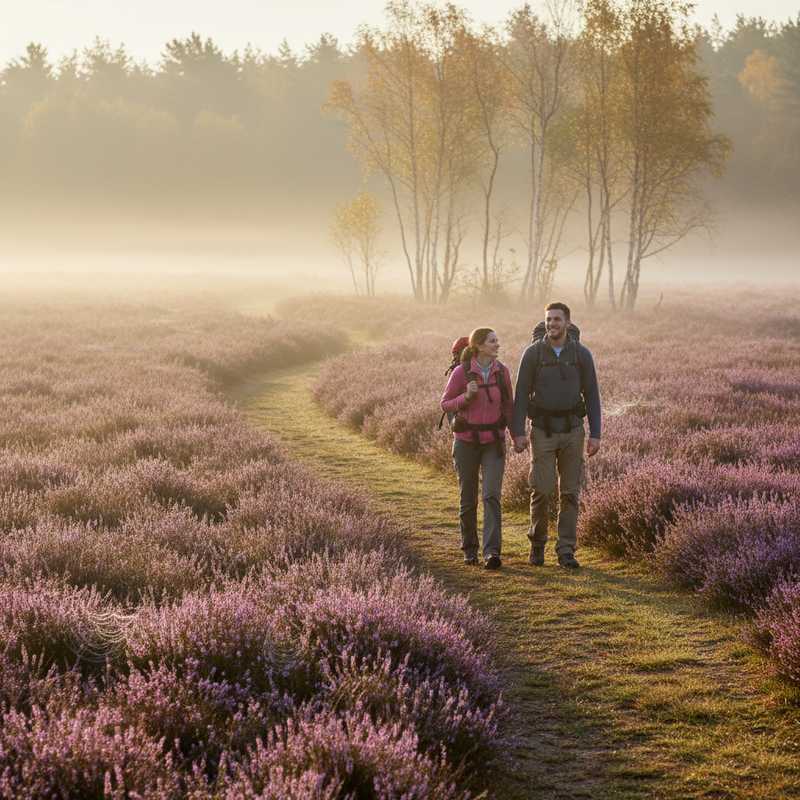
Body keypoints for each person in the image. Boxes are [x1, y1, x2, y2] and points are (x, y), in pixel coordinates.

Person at [512, 302, 601, 569]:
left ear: (567, 323)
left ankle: (566, 550)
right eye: (548, 319)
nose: (552, 324)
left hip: (574, 431)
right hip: (542, 431)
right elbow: (520, 395)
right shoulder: (533, 354)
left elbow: (592, 394)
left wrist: (596, 434)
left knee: (570, 493)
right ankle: (537, 545)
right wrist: (518, 432)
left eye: (557, 319)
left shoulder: (582, 355)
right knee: (541, 490)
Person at [441, 328, 514, 569]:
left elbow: (509, 406)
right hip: (466, 442)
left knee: (491, 495)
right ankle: (470, 549)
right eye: (493, 341)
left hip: (494, 442)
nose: (497, 345)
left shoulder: (502, 372)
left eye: (497, 340)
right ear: (479, 346)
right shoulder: (461, 373)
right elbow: (445, 404)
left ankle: (491, 552)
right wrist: (465, 397)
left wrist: (517, 436)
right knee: (468, 498)